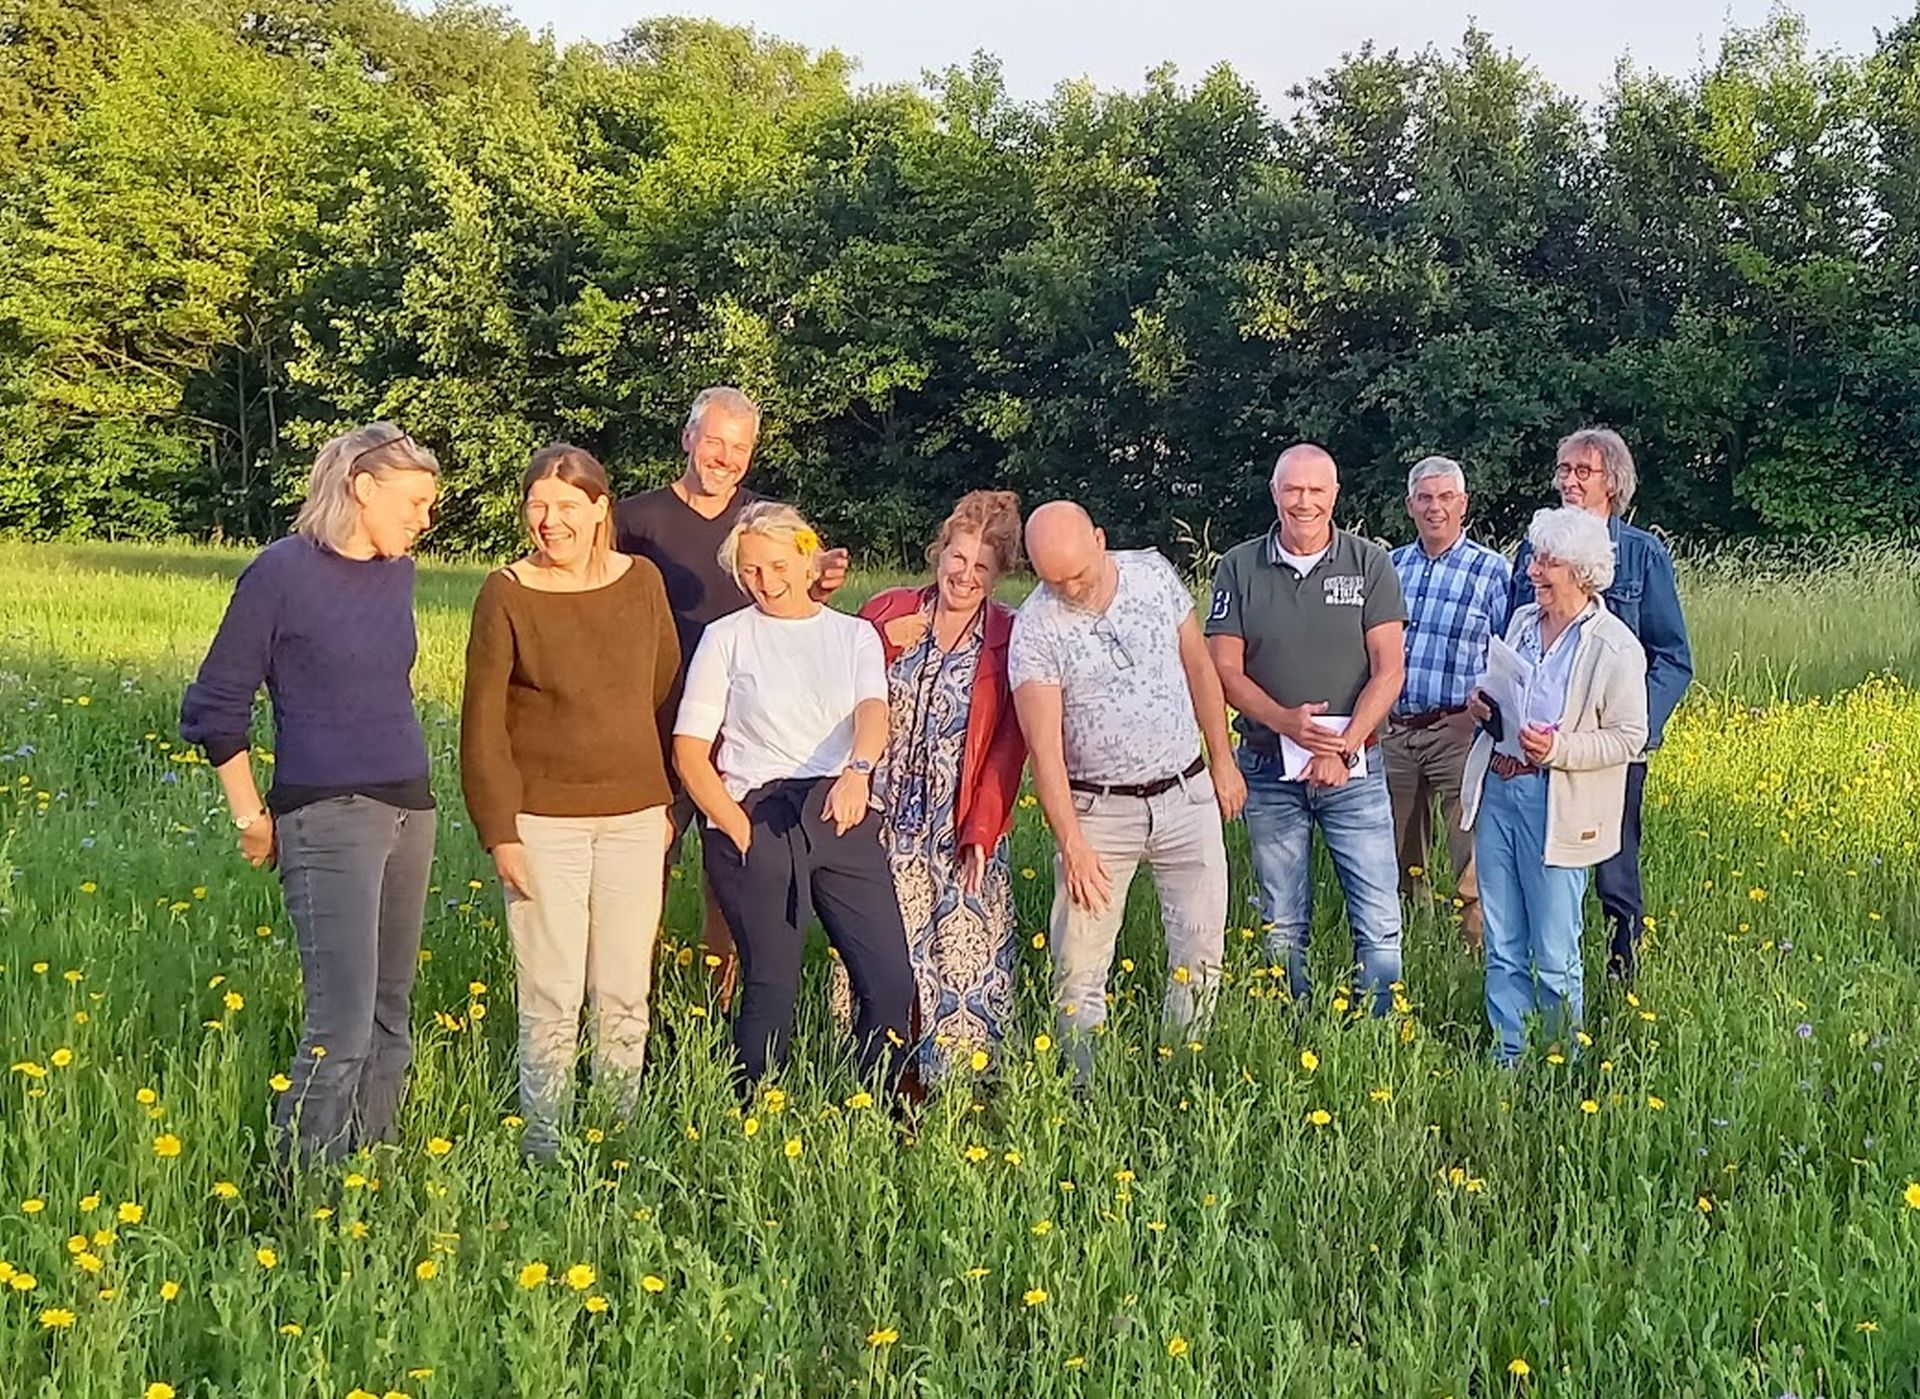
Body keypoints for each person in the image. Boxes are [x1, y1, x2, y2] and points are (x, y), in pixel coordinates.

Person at [179, 423, 440, 1165]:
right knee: (343, 1022)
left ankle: (368, 1174)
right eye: (415, 501)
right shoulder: (280, 573)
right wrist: (250, 815)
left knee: (392, 1015)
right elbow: (215, 705)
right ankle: (303, 1192)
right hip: (327, 817)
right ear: (363, 489)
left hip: (408, 808)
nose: (424, 519)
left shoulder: (399, 574)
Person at [460, 445, 681, 1160]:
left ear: (598, 510)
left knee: (624, 992)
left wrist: (651, 789)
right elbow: (483, 724)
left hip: (635, 817)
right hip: (540, 825)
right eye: (536, 506)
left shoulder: (641, 581)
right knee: (550, 995)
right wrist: (502, 832)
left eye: (564, 507)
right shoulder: (506, 593)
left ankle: (619, 1140)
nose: (548, 521)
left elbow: (661, 683)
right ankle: (547, 1150)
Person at [615, 387, 847, 1005]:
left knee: (734, 872)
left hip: (744, 733)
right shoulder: (633, 521)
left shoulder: (769, 524)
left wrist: (821, 585)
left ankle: (722, 1010)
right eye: (714, 441)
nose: (724, 457)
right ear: (688, 438)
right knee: (647, 869)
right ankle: (637, 1008)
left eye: (739, 448)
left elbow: (802, 597)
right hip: (655, 725)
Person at [671, 501, 914, 1088]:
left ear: (808, 559)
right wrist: (736, 827)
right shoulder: (725, 638)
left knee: (889, 979)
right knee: (771, 982)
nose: (766, 583)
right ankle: (755, 1106)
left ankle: (883, 1101)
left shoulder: (853, 635)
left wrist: (858, 771)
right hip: (759, 812)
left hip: (840, 805)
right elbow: (689, 751)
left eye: (778, 566)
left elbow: (873, 712)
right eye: (751, 571)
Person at [1010, 501, 1244, 1085]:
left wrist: (1223, 762)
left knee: (1200, 951)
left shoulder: (1153, 575)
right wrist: (1072, 843)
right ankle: (1088, 1088)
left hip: (1186, 796)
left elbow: (1199, 669)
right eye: (1052, 579)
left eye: (1077, 574)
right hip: (1098, 812)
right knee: (1079, 966)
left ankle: (1183, 1075)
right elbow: (1044, 749)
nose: (1068, 588)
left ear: (1099, 538)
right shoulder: (1035, 626)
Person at [828, 491, 1027, 1088]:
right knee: (880, 950)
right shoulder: (888, 609)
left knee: (961, 954)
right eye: (958, 558)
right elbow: (837, 686)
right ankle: (874, 1076)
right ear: (939, 552)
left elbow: (1007, 747)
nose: (965, 576)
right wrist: (887, 639)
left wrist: (983, 830)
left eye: (981, 567)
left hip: (959, 820)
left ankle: (961, 1089)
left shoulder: (1006, 636)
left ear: (998, 575)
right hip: (883, 815)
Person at [1206, 444, 1407, 1015]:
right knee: (1280, 921)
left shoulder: (1370, 562)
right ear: (1275, 493)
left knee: (1378, 917)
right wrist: (1285, 722)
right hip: (1269, 768)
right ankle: (1291, 1027)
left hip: (1355, 771)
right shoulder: (1240, 566)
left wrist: (1342, 745)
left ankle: (1376, 1030)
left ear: (1334, 495)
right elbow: (1224, 668)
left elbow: (1389, 668)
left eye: (1317, 490)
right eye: (1293, 490)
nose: (1304, 502)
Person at [1464, 507, 1648, 1064]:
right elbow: (1504, 693)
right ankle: (1508, 1053)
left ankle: (1559, 1059)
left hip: (1556, 801)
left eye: (1549, 563)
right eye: (1535, 559)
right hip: (1499, 788)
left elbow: (1629, 738)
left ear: (1583, 572)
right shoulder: (1522, 622)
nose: (1535, 572)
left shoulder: (1614, 646)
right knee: (1502, 938)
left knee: (1553, 945)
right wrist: (1484, 706)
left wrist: (1561, 750)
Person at [1511, 428, 1692, 981]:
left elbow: (1673, 657)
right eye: (1563, 469)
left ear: (1612, 483)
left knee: (1614, 866)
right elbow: (1519, 640)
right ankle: (1544, 971)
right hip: (1540, 747)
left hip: (1612, 747)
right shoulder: (1534, 549)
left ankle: (1621, 972)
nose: (1568, 480)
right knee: (1542, 864)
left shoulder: (1641, 555)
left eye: (1582, 471)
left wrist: (1634, 732)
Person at [1384, 455, 1512, 948]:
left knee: (1471, 853)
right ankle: (1409, 943)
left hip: (1458, 733)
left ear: (1463, 504)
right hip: (1396, 730)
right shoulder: (1390, 567)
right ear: (1410, 506)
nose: (1435, 507)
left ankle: (1472, 952)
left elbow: (1509, 654)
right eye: (1425, 498)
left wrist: (1471, 719)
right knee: (1395, 851)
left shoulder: (1492, 572)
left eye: (1445, 498)